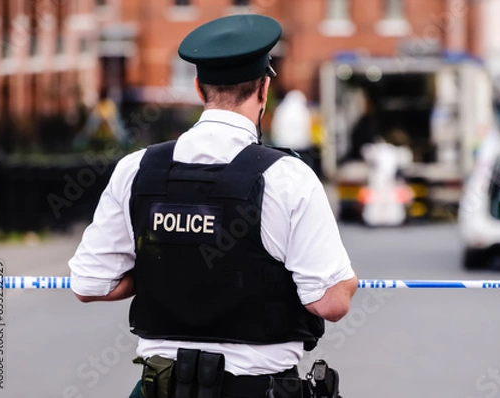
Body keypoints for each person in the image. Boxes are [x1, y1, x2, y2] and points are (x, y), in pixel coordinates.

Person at [68, 14, 358, 398]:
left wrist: (166, 272)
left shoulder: (135, 168)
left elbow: (88, 284)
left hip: (160, 388)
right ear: (264, 88)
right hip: (256, 390)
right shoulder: (288, 177)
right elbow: (331, 302)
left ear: (197, 88)